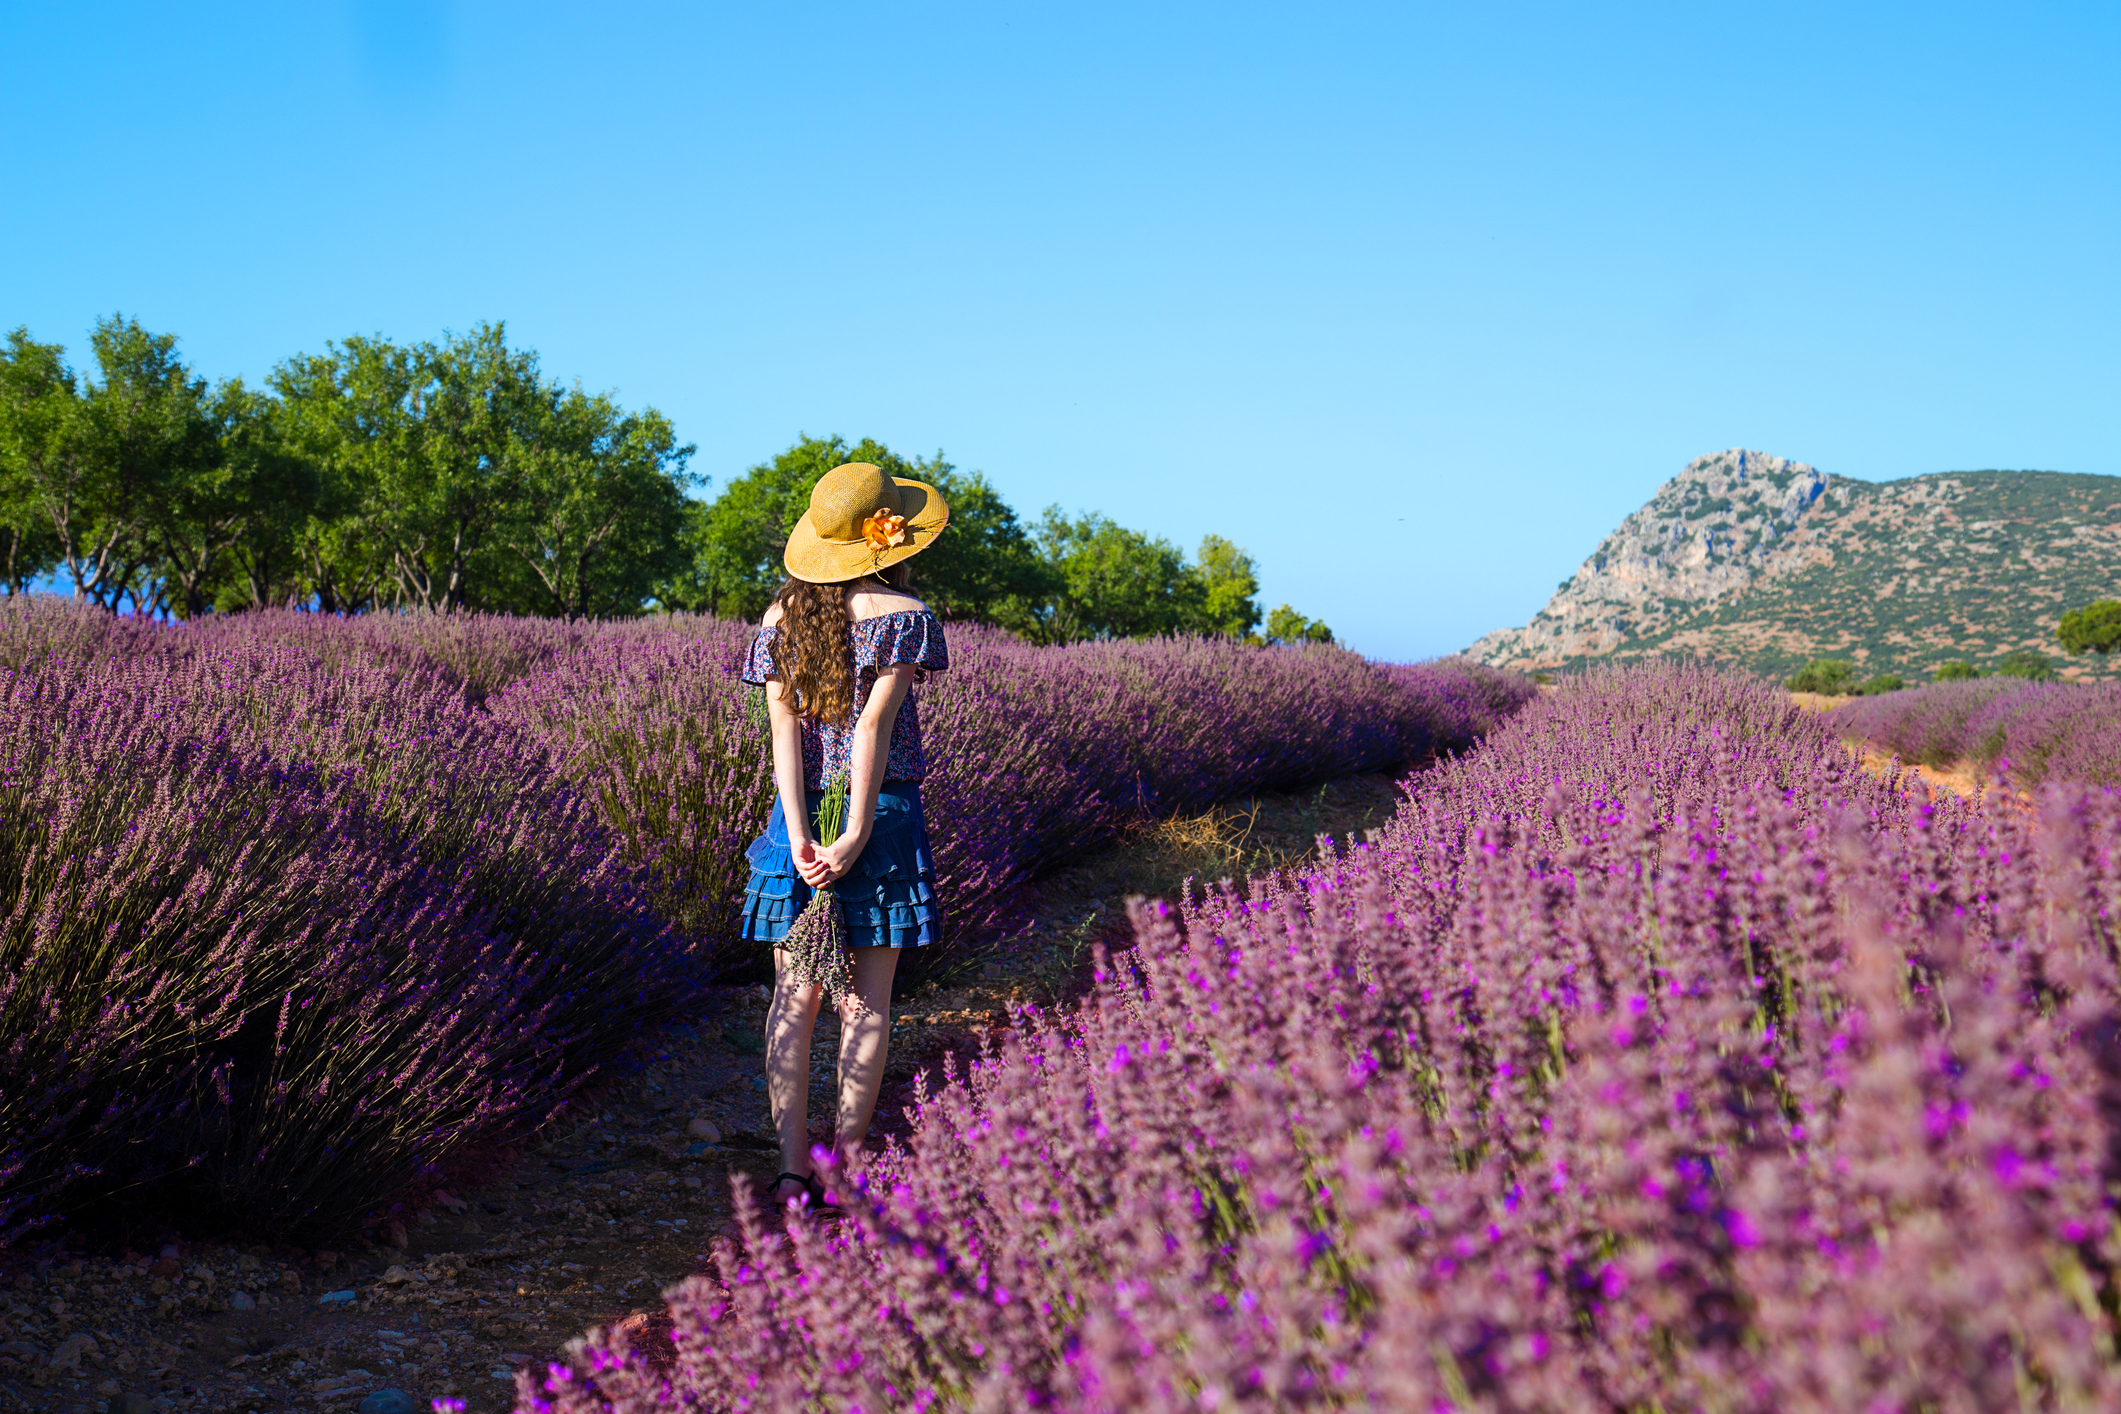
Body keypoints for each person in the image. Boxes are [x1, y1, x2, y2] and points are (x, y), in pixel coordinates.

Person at [737, 461, 950, 1212]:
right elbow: (872, 728)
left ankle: (792, 1172)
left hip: (790, 824)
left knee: (792, 1002)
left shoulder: (776, 619)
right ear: (884, 533)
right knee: (866, 1006)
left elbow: (782, 735)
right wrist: (854, 832)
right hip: (882, 818)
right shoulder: (904, 614)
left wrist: (799, 835)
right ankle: (844, 1174)